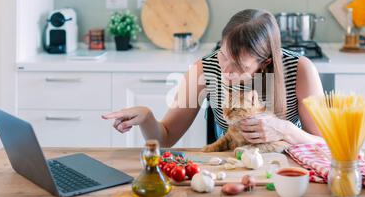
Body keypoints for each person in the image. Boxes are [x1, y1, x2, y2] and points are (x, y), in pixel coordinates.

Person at [102, 9, 324, 147]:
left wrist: (284, 129)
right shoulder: (204, 70)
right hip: (230, 170)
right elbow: (165, 139)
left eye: (240, 66)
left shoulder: (299, 70)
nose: (226, 71)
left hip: (287, 173)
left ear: (265, 62)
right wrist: (147, 117)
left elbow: (328, 145)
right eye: (223, 56)